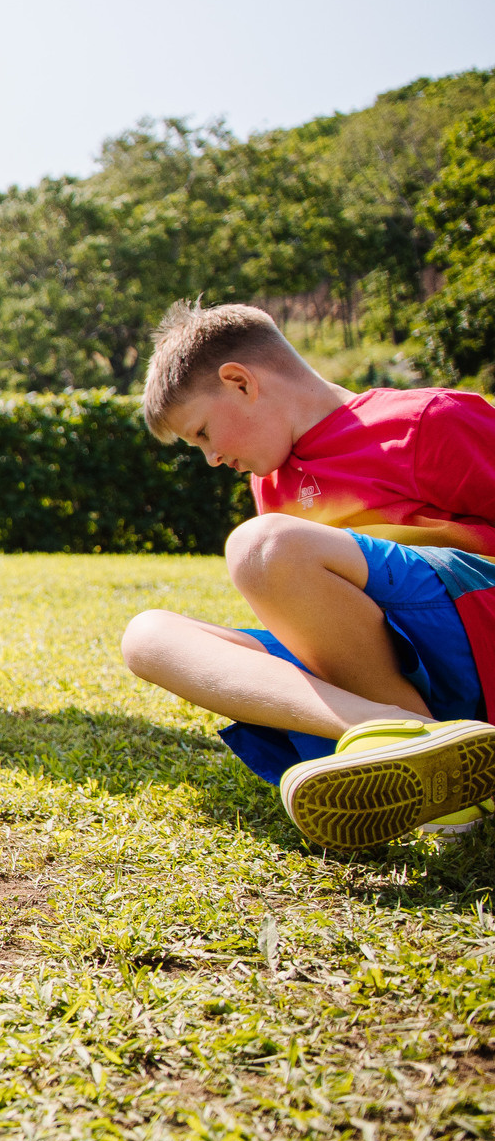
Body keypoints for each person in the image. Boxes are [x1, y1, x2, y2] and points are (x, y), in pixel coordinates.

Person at [119, 302, 495, 850]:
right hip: (386, 676)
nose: (212, 458)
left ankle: (414, 745)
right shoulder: (270, 486)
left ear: (240, 382)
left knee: (262, 545)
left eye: (203, 432)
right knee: (147, 636)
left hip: (470, 634)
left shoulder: (428, 419)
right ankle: (412, 743)